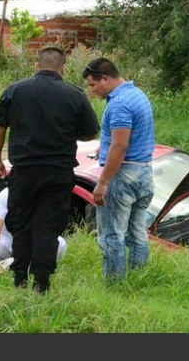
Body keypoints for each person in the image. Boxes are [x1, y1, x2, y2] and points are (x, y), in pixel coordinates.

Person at [0, 46, 100, 293]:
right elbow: (92, 131)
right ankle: (41, 282)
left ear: (36, 66)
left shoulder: (15, 90)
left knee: (21, 223)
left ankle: (19, 278)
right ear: (62, 68)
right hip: (57, 173)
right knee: (47, 227)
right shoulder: (75, 94)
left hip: (24, 171)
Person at [82, 57, 155, 284]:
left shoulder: (120, 103)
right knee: (137, 232)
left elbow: (120, 145)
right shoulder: (137, 95)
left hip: (123, 175)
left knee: (112, 234)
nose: (92, 91)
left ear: (105, 78)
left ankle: (115, 284)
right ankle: (138, 278)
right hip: (144, 172)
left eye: (93, 85)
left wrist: (103, 182)